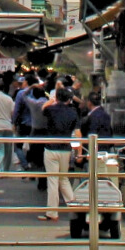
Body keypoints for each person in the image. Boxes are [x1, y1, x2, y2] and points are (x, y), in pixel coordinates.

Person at [40, 88, 82, 219]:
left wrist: (51, 101)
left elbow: (43, 108)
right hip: (66, 149)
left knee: (53, 180)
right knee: (64, 180)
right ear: (69, 99)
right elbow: (78, 133)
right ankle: (75, 208)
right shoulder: (73, 112)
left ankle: (52, 213)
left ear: (57, 97)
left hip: (51, 148)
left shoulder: (51, 109)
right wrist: (79, 151)